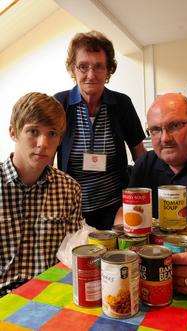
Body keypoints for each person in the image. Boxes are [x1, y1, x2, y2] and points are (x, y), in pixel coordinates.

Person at [115, 93, 187, 294]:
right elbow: (124, 214)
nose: (165, 138)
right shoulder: (144, 165)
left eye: (174, 126)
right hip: (152, 283)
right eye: (155, 130)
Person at [54, 31, 146, 230]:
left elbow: (140, 155)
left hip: (115, 209)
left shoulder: (121, 104)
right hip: (72, 211)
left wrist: (134, 200)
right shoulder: (60, 103)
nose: (91, 74)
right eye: (83, 66)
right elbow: (45, 156)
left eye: (98, 66)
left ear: (108, 70)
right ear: (73, 68)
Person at [0, 92, 83, 297]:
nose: (43, 143)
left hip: (51, 296)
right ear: (13, 132)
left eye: (52, 133)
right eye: (33, 131)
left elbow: (71, 257)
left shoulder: (69, 189)